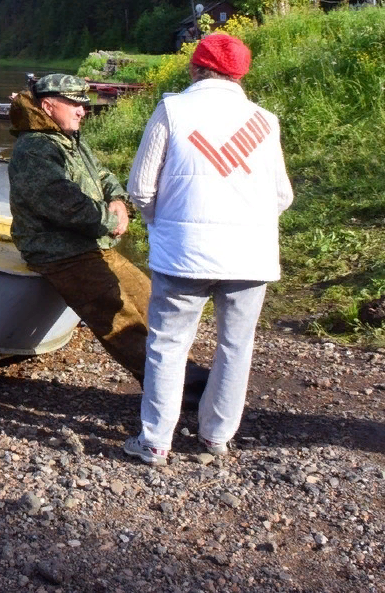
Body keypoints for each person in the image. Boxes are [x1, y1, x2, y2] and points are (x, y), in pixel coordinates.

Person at [122, 34, 293, 466]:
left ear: (196, 68)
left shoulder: (173, 110)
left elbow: (141, 188)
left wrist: (161, 224)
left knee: (168, 344)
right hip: (251, 256)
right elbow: (282, 196)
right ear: (239, 74)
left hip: (184, 254)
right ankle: (216, 437)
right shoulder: (264, 121)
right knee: (236, 346)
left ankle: (156, 441)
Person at [7, 74, 207, 398]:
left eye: (83, 104)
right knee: (118, 315)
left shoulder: (68, 137)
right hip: (60, 253)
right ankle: (170, 390)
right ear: (48, 105)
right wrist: (109, 219)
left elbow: (101, 174)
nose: (82, 110)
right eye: (74, 103)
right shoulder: (35, 148)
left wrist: (118, 199)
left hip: (93, 245)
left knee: (152, 300)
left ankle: (187, 371)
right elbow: (64, 203)